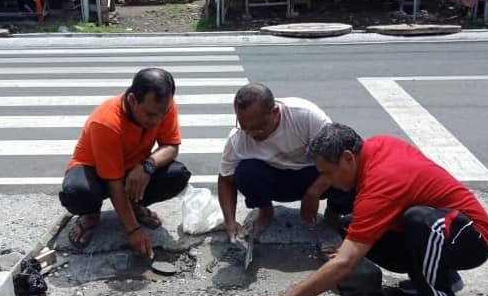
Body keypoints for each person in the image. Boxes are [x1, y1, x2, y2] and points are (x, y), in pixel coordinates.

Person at [246, 124, 488, 296]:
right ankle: (440, 278)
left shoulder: (381, 183)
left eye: (330, 174)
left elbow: (345, 263)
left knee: (419, 220)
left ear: (348, 158)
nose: (328, 183)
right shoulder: (376, 146)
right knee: (351, 226)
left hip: (473, 238)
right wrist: (349, 251)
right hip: (443, 233)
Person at [59, 68, 192, 257]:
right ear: (132, 100)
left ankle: (134, 205)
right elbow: (114, 183)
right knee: (77, 192)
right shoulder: (106, 122)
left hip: (133, 168)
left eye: (162, 114)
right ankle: (91, 214)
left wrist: (148, 166)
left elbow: (171, 146)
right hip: (94, 171)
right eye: (150, 114)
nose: (157, 120)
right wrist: (133, 231)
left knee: (177, 174)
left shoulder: (163, 105)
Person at [218, 84, 353, 241]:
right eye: (244, 127)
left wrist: (313, 193)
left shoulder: (305, 116)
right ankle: (266, 211)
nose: (251, 134)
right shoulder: (239, 138)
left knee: (348, 168)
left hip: (314, 175)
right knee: (245, 172)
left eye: (258, 128)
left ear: (275, 112)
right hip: (275, 180)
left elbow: (337, 158)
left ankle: (334, 211)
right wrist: (230, 221)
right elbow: (225, 179)